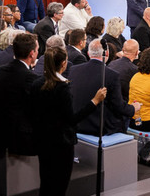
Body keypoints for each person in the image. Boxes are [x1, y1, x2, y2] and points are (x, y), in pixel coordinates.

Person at [30, 46, 106, 196]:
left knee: (46, 183)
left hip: (42, 141)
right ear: (64, 63)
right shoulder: (62, 88)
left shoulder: (36, 83)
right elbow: (72, 119)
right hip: (61, 145)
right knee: (59, 186)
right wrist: (94, 102)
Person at [0, 33, 40, 155]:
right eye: (37, 50)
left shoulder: (1, 70)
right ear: (32, 53)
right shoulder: (30, 77)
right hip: (14, 139)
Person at [69, 39, 140, 135]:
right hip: (100, 129)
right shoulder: (112, 75)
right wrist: (133, 108)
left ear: (89, 53)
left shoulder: (73, 70)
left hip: (77, 124)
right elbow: (118, 106)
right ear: (106, 54)